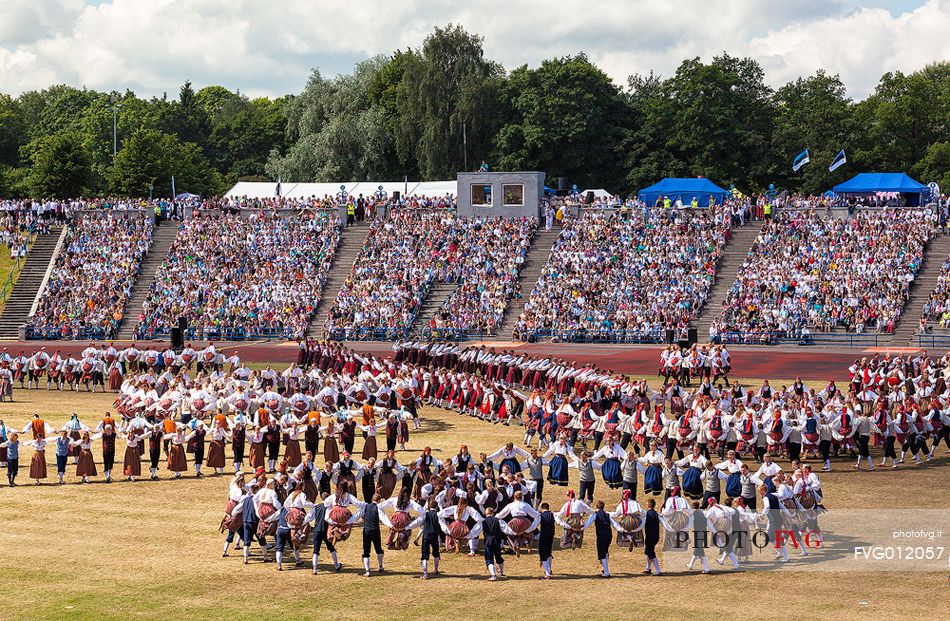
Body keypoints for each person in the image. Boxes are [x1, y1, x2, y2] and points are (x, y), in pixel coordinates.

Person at [306, 491, 342, 574]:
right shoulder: (329, 508)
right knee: (331, 548)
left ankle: (314, 569)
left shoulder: (316, 507)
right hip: (326, 531)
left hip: (317, 530)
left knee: (316, 550)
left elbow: (309, 517)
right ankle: (336, 565)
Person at [358, 494, 392, 577]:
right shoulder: (378, 508)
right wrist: (391, 526)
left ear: (371, 499)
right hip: (375, 531)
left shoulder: (365, 507)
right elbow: (384, 518)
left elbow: (357, 515)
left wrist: (347, 521)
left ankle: (367, 571)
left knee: (366, 551)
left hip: (366, 531)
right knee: (378, 549)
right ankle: (380, 566)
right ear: (379, 501)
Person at [586, 500, 618, 578]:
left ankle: (606, 573)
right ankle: (604, 569)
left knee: (602, 553)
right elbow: (616, 525)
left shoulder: (595, 514)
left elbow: (587, 524)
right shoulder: (607, 515)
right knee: (605, 551)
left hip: (601, 536)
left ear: (597, 507)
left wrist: (580, 528)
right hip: (609, 536)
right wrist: (624, 530)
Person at [418, 497, 442, 579]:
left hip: (426, 536)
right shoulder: (437, 515)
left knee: (425, 555)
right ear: (436, 506)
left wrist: (417, 538)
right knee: (436, 553)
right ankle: (436, 569)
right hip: (434, 536)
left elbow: (421, 526)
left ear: (429, 506)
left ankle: (425, 574)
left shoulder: (425, 514)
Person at [481, 507, 506, 581]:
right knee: (498, 556)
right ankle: (501, 573)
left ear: (486, 513)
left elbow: (477, 530)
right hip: (497, 541)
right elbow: (505, 529)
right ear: (493, 513)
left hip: (488, 542)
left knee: (489, 559)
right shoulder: (498, 520)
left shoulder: (483, 521)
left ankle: (493, 575)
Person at [643, 498, 661, 575]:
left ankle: (658, 570)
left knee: (650, 552)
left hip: (650, 536)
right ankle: (648, 568)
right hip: (655, 536)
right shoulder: (656, 514)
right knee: (647, 551)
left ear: (648, 505)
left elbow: (643, 524)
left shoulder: (647, 514)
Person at [537, 502, 556, 579]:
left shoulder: (541, 516)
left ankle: (547, 574)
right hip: (551, 536)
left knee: (543, 554)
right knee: (548, 552)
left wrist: (528, 530)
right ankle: (549, 569)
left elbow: (535, 524)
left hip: (543, 536)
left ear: (542, 508)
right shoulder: (552, 514)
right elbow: (560, 522)